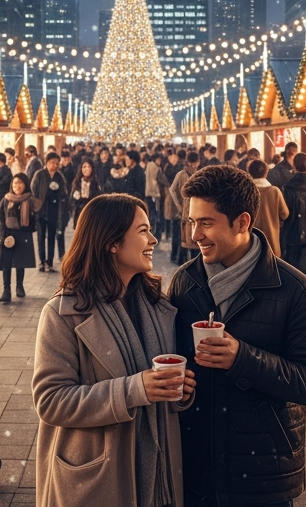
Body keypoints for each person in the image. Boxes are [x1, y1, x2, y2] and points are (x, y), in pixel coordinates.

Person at [169, 166, 306, 506]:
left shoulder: (295, 290)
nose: (195, 235)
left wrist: (242, 358)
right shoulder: (185, 283)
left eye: (206, 223)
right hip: (197, 469)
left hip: (263, 472)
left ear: (242, 222)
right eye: (192, 222)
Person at [32, 194, 196, 505]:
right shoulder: (62, 313)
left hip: (158, 474)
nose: (153, 239)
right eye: (143, 231)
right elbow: (50, 401)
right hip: (98, 474)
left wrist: (178, 390)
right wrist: (134, 390)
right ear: (111, 243)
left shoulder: (158, 305)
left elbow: (157, 390)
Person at [0, 173, 36, 301]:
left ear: (25, 184)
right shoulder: (6, 199)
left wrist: (27, 228)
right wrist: (3, 233)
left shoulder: (29, 199)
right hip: (7, 234)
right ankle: (6, 290)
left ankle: (19, 286)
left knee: (20, 262)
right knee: (6, 263)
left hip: (23, 234)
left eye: (20, 183)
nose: (17, 186)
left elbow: (35, 219)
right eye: (15, 183)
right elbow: (0, 217)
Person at [279, 153, 306, 279]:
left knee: (293, 275)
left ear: (294, 166)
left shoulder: (289, 187)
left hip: (293, 234)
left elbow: (286, 213)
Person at [32, 152, 70, 271]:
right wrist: (36, 206)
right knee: (41, 237)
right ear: (47, 163)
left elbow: (64, 193)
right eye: (52, 163)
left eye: (57, 163)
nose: (55, 165)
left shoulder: (60, 177)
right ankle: (42, 262)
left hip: (54, 212)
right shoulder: (39, 174)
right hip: (41, 211)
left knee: (51, 237)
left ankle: (49, 262)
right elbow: (33, 190)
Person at [248, 158, 290, 257]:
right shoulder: (275, 191)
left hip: (250, 241)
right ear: (266, 173)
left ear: (249, 172)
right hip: (271, 240)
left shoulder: (247, 190)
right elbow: (285, 214)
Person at [165, 150, 199, 263]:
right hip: (182, 211)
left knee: (189, 237)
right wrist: (178, 205)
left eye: (195, 163)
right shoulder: (182, 174)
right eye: (191, 163)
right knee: (182, 236)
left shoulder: (197, 174)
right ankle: (180, 259)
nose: (193, 165)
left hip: (192, 210)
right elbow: (172, 190)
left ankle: (187, 260)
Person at [70, 158, 99, 225]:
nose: (87, 169)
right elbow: (72, 199)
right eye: (84, 167)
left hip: (92, 211)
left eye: (89, 166)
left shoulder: (95, 182)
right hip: (79, 211)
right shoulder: (77, 181)